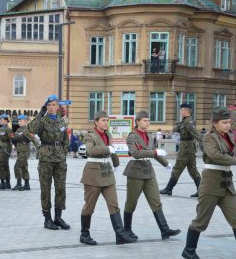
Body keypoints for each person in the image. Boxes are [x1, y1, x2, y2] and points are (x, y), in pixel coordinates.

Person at [182, 107, 236, 259]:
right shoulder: (209, 137)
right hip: (211, 184)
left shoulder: (229, 136)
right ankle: (189, 251)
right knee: (201, 222)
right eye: (224, 122)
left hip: (227, 184)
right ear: (215, 123)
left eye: (229, 122)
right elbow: (215, 155)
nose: (228, 125)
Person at [80, 111, 136, 246]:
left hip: (107, 174)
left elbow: (113, 150)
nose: (106, 123)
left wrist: (116, 163)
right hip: (93, 175)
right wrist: (107, 149)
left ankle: (120, 235)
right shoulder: (90, 135)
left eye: (107, 120)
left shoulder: (108, 135)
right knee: (89, 207)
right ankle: (84, 234)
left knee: (114, 205)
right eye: (103, 120)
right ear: (96, 122)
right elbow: (91, 151)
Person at [123, 111, 181, 240]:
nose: (147, 123)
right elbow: (136, 153)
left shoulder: (149, 136)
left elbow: (155, 154)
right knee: (131, 202)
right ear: (137, 122)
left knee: (156, 201)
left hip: (148, 171)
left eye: (148, 120)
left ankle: (164, 230)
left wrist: (167, 165)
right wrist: (154, 151)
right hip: (136, 171)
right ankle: (127, 230)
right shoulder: (131, 137)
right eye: (145, 120)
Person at [28, 94, 70, 230]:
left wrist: (64, 153)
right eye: (49, 105)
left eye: (54, 105)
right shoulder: (42, 120)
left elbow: (65, 139)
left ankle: (58, 217)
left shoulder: (61, 121)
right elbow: (30, 130)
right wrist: (40, 114)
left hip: (60, 159)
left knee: (61, 188)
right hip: (46, 157)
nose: (51, 107)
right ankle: (47, 219)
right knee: (45, 189)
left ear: (57, 106)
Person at [160, 103, 203, 197]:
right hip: (188, 148)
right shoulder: (185, 121)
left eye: (181, 110)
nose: (180, 112)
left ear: (186, 111)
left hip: (186, 149)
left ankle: (168, 189)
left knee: (177, 168)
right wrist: (175, 128)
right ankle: (201, 190)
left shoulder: (188, 122)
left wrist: (204, 144)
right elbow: (178, 128)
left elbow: (196, 133)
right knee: (193, 169)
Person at [11, 114, 38, 191]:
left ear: (25, 122)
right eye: (18, 121)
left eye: (21, 121)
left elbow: (33, 139)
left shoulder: (26, 130)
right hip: (19, 150)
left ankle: (19, 184)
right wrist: (14, 140)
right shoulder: (18, 130)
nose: (19, 122)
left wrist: (39, 148)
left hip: (24, 151)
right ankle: (27, 184)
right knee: (24, 167)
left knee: (17, 166)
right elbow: (16, 139)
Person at [0, 114, 13, 189]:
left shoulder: (8, 129)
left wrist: (11, 148)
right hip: (2, 148)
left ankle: (3, 182)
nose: (0, 121)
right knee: (5, 165)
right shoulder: (1, 129)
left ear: (6, 120)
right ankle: (7, 183)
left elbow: (12, 138)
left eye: (1, 119)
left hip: (6, 148)